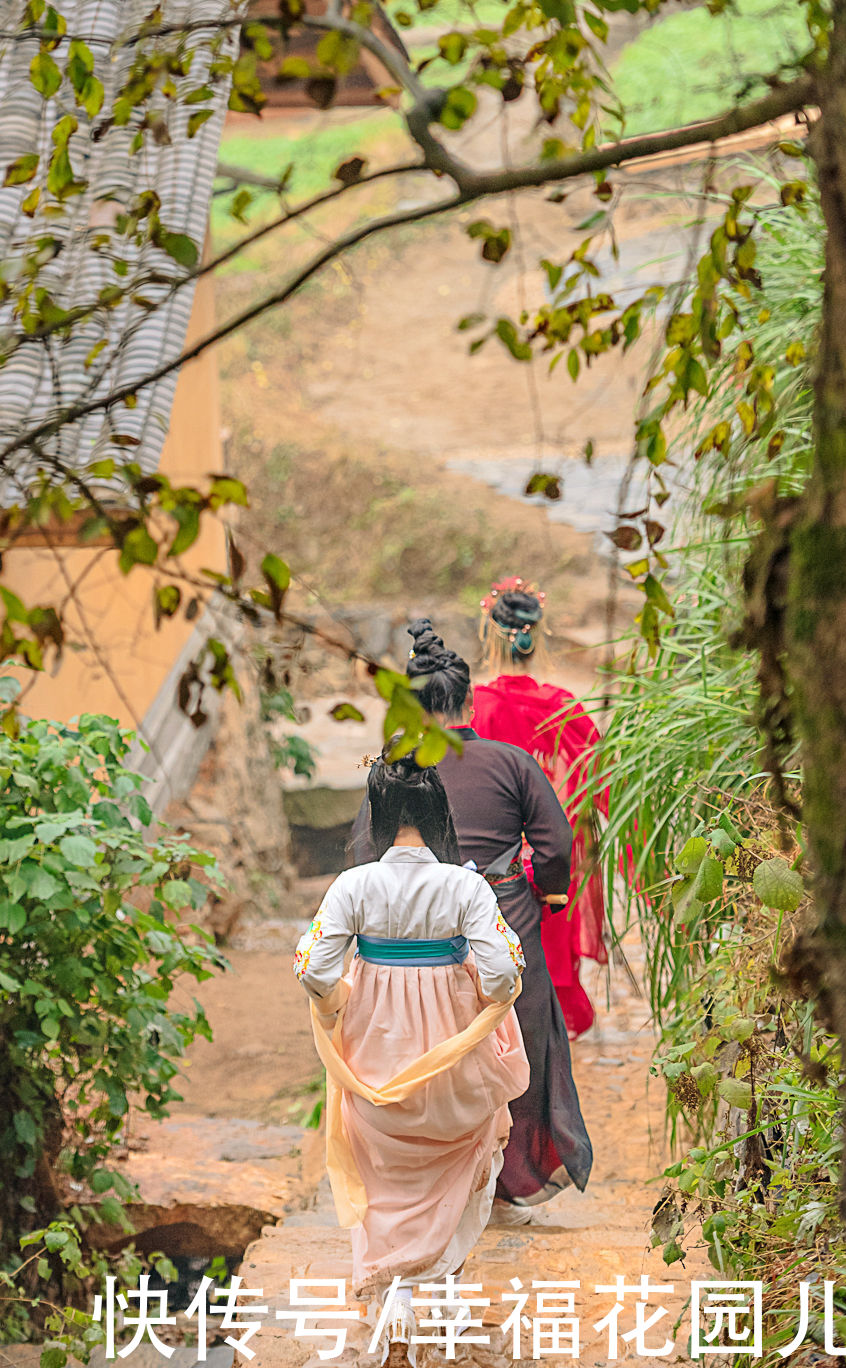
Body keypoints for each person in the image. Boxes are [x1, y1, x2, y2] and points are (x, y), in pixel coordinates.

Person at [351, 619, 593, 1212]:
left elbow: (363, 852)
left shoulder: (397, 769)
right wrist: (543, 888)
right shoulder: (511, 763)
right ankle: (510, 1175)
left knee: (421, 1046)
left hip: (419, 935)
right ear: (467, 701)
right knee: (520, 1042)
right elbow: (557, 844)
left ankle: (429, 1177)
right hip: (504, 922)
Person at [295, 751, 529, 1360]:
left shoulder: (353, 886)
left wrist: (345, 995)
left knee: (383, 1171)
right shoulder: (466, 887)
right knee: (461, 1153)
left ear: (376, 814)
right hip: (451, 1058)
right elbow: (504, 977)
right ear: (436, 814)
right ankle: (441, 1283)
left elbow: (316, 972)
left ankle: (395, 1301)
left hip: (375, 1050)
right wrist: (472, 990)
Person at [472, 577, 609, 1040]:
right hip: (552, 849)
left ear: (491, 636)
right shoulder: (564, 706)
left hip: (495, 851)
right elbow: (600, 783)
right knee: (550, 945)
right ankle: (551, 1031)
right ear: (537, 637)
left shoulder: (477, 708)